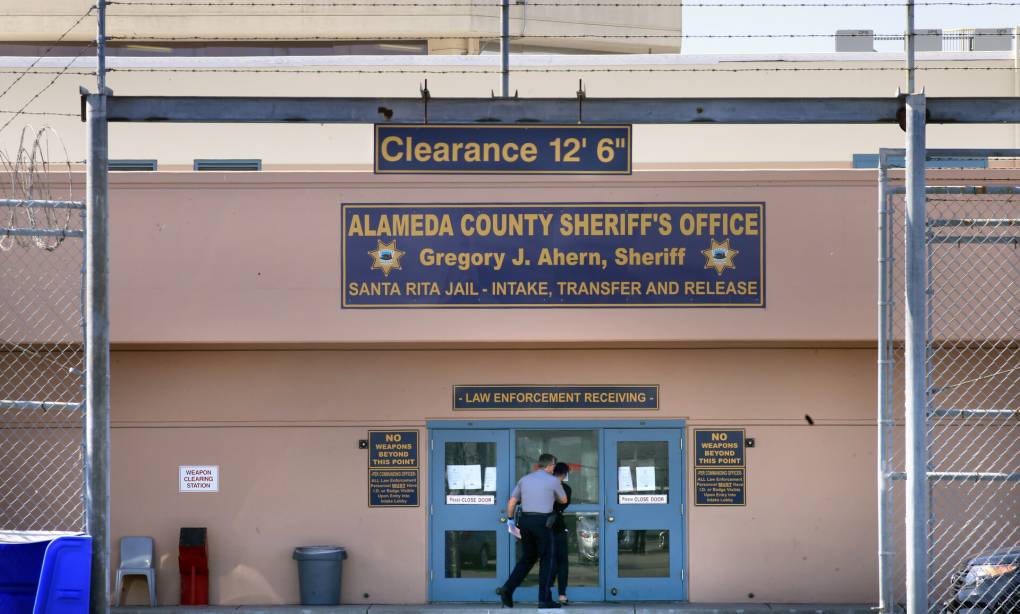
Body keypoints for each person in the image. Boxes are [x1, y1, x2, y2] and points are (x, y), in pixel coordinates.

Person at [496, 453, 568, 609]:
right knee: (547, 560)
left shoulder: (524, 479)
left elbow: (512, 502)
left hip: (525, 522)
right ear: (550, 465)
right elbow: (563, 500)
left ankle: (507, 589)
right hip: (543, 523)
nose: (554, 468)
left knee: (527, 559)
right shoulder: (554, 481)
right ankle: (544, 600)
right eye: (554, 465)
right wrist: (551, 494)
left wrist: (510, 520)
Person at [550, 462, 572, 605]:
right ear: (564, 474)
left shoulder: (544, 486)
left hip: (541, 525)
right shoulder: (565, 488)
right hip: (557, 524)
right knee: (562, 561)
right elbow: (564, 504)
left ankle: (545, 591)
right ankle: (562, 595)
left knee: (548, 560)